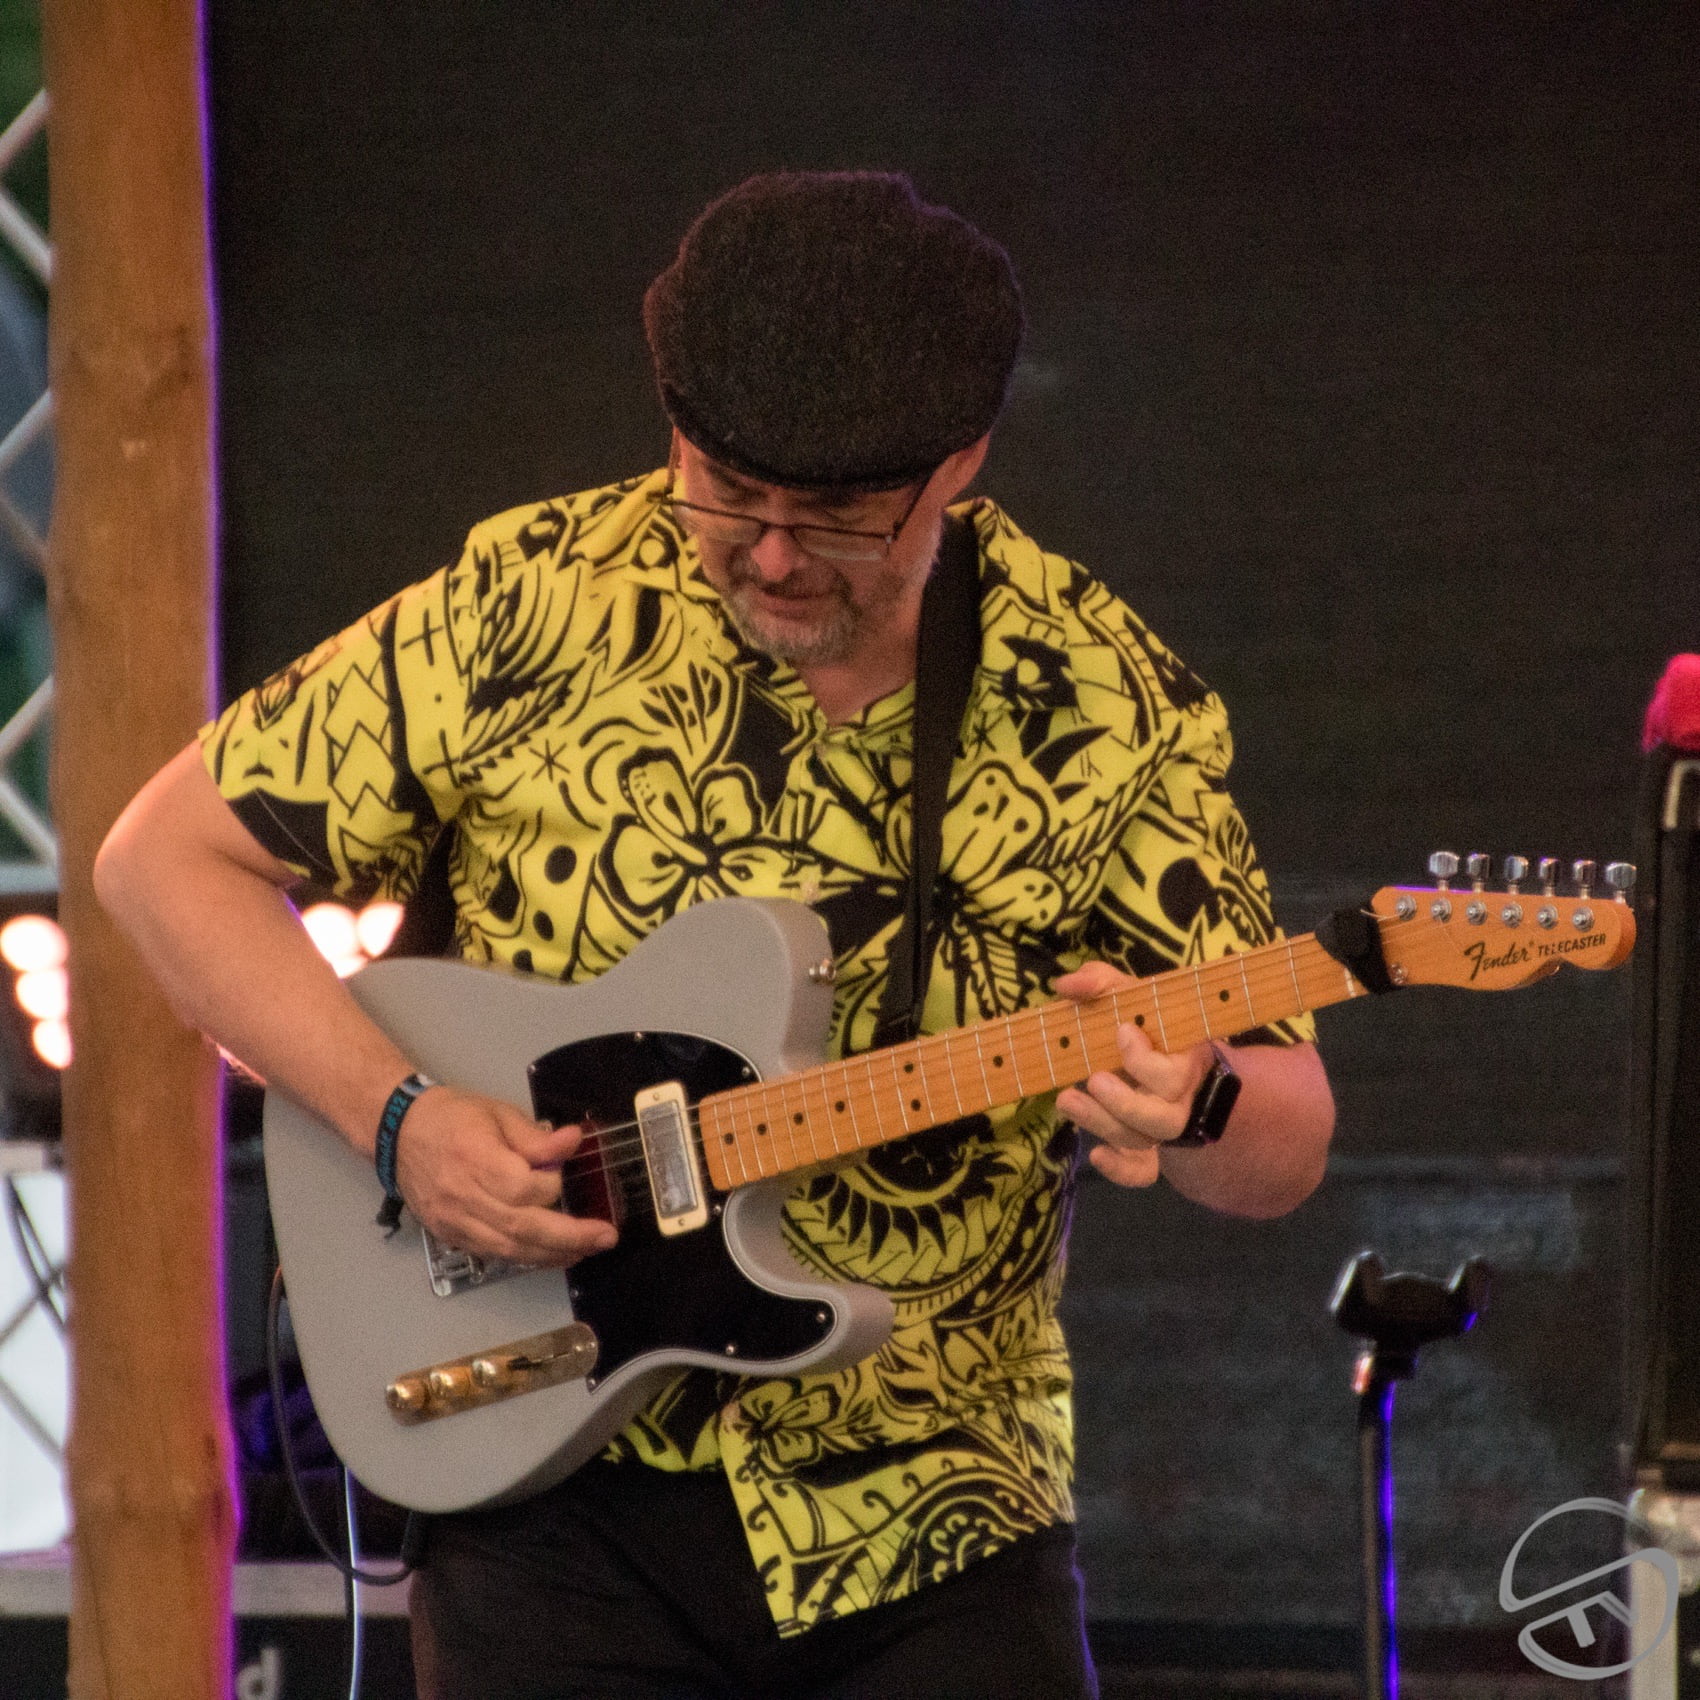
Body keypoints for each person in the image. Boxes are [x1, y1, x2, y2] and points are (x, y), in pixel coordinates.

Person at [95, 172, 1334, 1699]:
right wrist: (399, 1118)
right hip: (542, 1476)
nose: (771, 557)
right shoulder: (537, 604)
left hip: (937, 1507)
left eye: (838, 520)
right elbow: (164, 861)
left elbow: (1286, 1135)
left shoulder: (1101, 698)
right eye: (725, 493)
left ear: (960, 464)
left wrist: (1199, 1102)